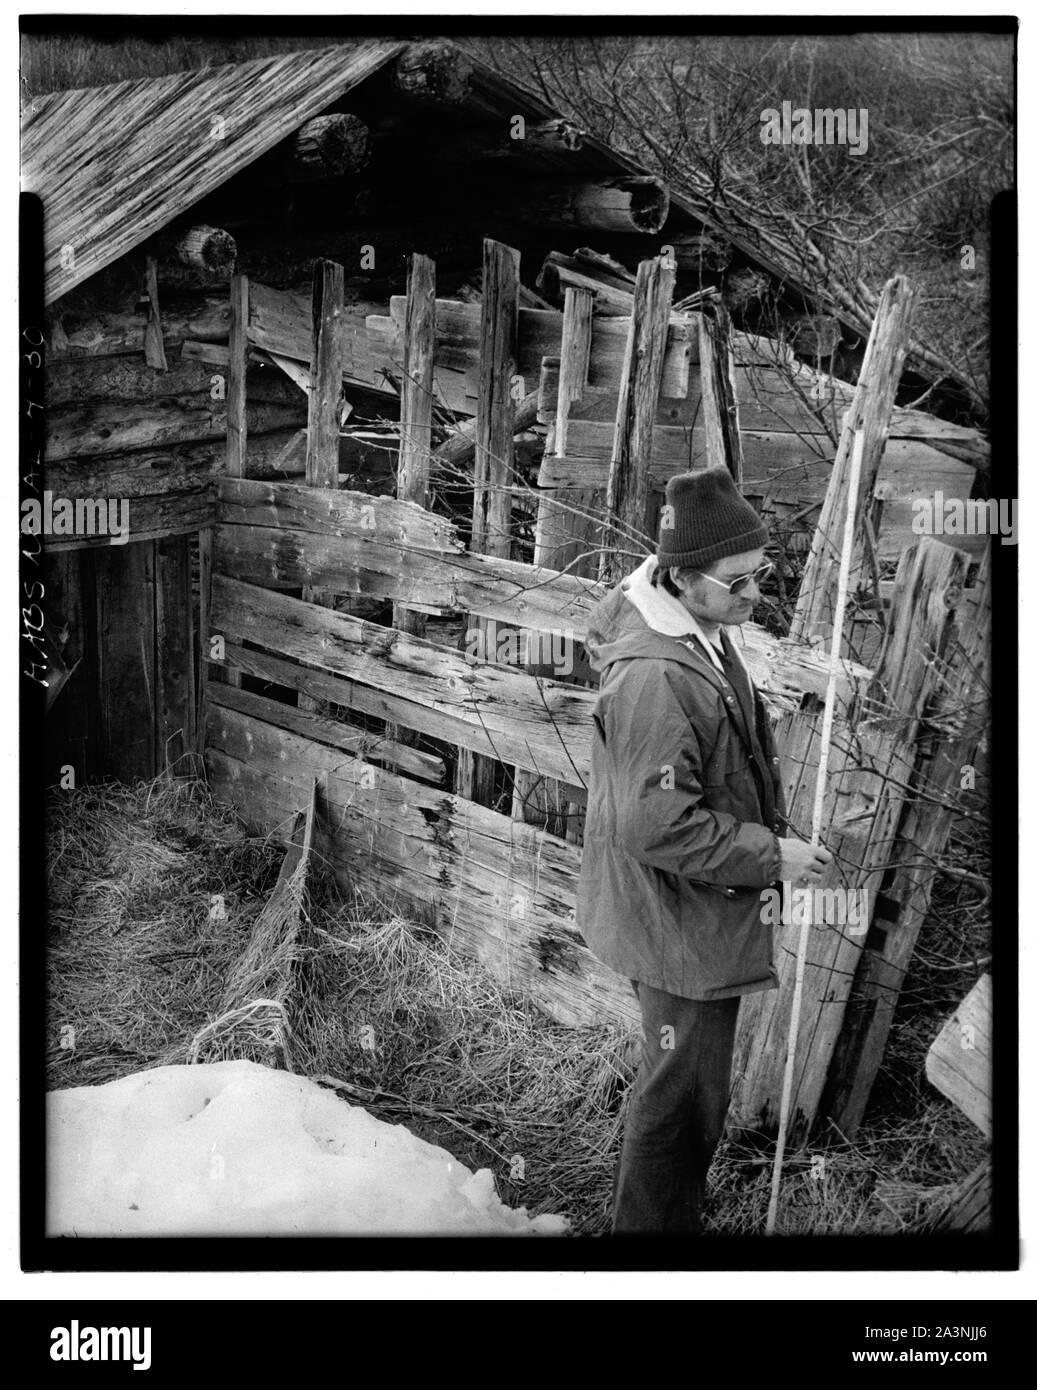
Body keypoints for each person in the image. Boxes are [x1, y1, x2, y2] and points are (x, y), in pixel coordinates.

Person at [577, 468, 831, 1235]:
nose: (758, 591)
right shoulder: (655, 674)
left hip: (686, 907)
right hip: (675, 918)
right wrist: (768, 855)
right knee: (681, 1100)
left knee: (686, 1088)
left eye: (763, 572)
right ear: (683, 580)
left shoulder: (695, 631)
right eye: (739, 581)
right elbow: (655, 825)